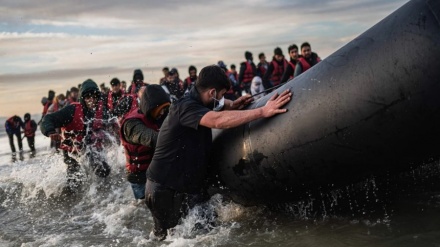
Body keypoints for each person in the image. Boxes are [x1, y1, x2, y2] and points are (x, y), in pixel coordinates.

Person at [145, 65, 292, 240]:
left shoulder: (196, 100)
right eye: (221, 95)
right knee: (170, 240)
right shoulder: (185, 107)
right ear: (212, 92)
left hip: (187, 188)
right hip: (164, 190)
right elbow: (217, 120)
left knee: (206, 234)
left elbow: (216, 109)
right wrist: (262, 111)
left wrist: (232, 105)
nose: (222, 99)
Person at [40, 79, 112, 190]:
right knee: (74, 183)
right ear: (82, 98)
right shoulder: (71, 110)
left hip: (87, 148)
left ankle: (101, 196)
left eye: (94, 96)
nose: (91, 100)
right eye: (88, 97)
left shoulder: (100, 111)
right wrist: (50, 131)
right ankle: (67, 198)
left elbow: (108, 125)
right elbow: (47, 119)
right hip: (70, 151)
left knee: (104, 170)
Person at [120, 84, 171, 201]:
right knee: (144, 207)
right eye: (160, 110)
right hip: (139, 178)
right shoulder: (132, 124)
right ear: (151, 107)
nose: (163, 113)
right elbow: (153, 138)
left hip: (155, 173)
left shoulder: (157, 116)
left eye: (165, 109)